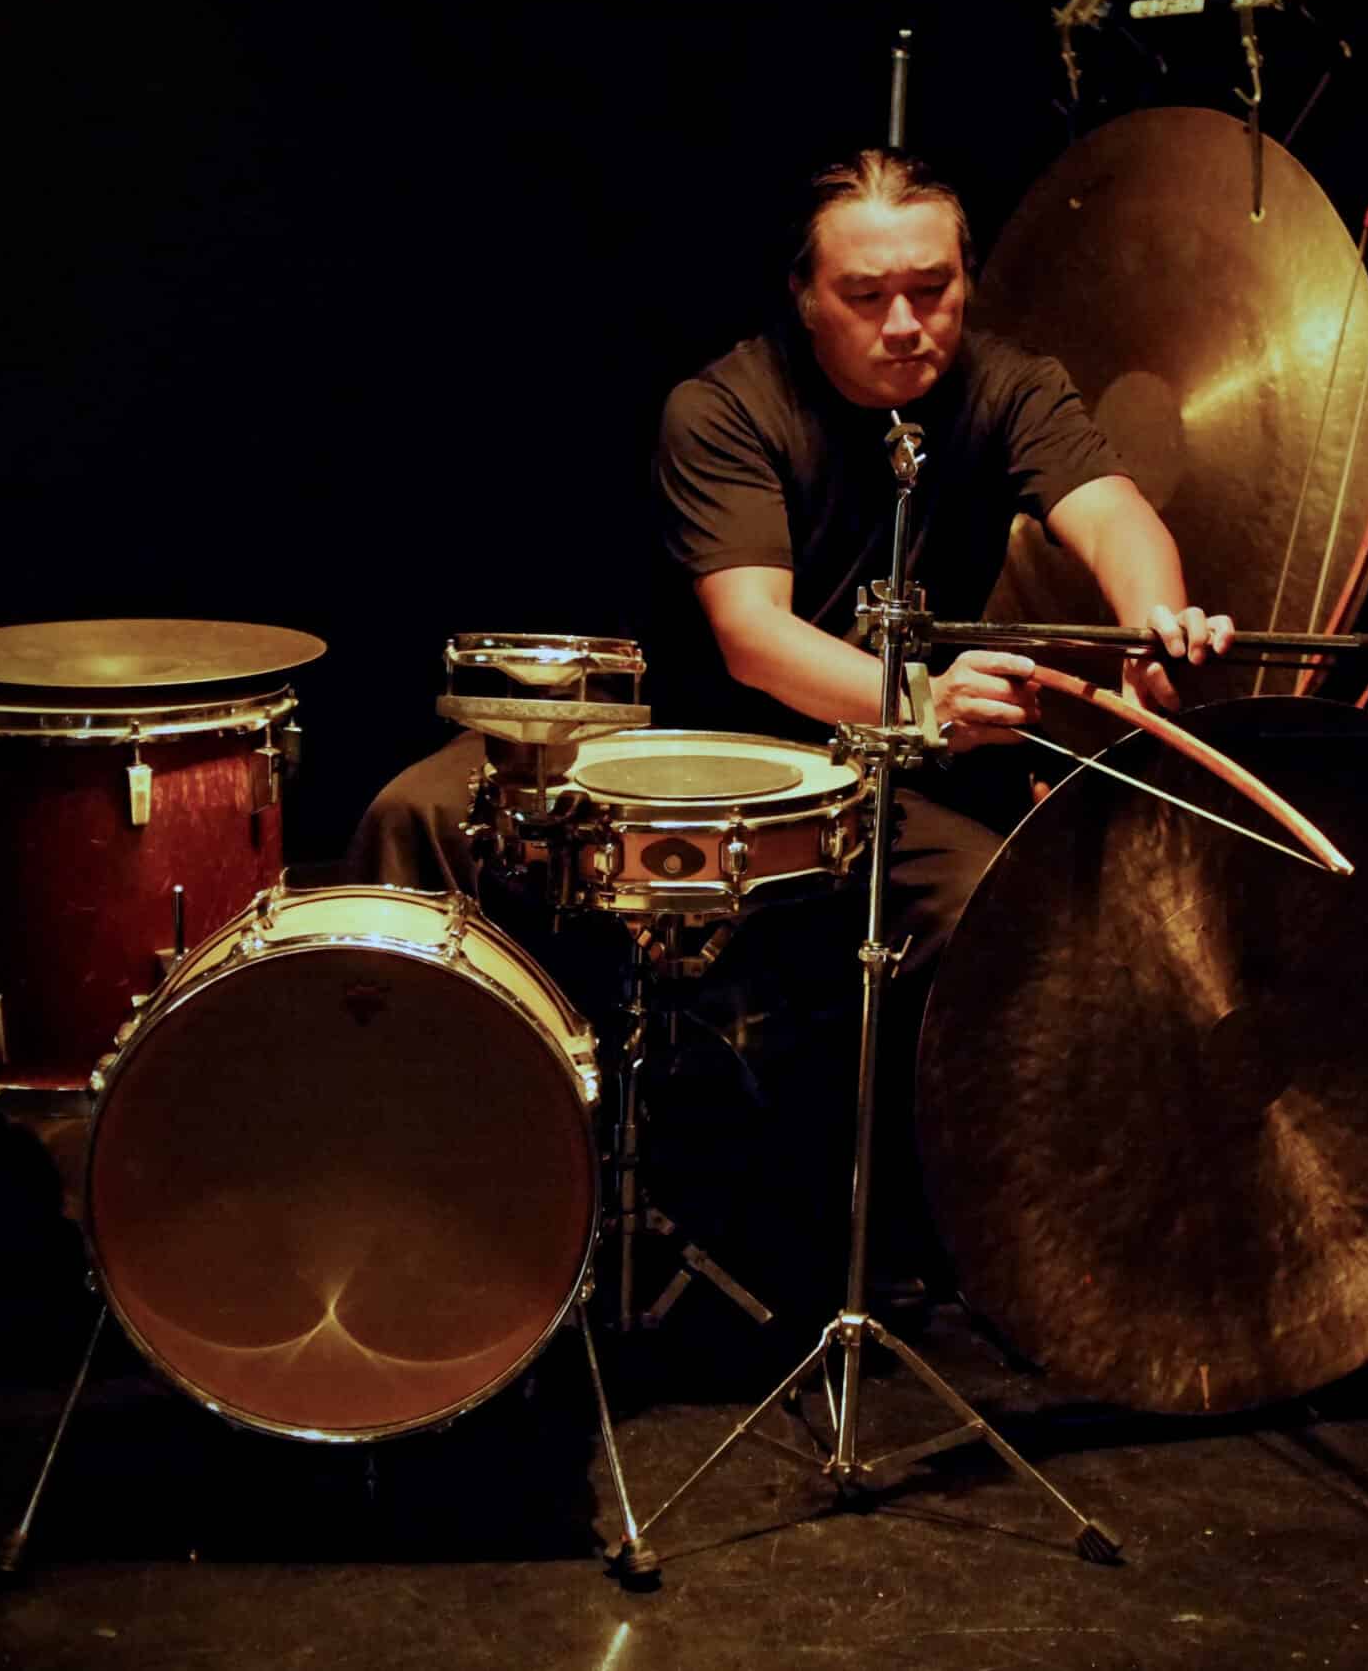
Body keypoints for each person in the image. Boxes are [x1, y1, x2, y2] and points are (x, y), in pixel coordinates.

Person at [346, 148, 1233, 1297]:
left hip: (864, 777)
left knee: (994, 907)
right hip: (681, 743)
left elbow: (1111, 514)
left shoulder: (1010, 386)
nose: (905, 323)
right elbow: (752, 637)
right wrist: (922, 703)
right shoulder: (724, 407)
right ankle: (402, 1181)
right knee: (414, 812)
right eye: (866, 295)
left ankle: (933, 1241)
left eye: (932, 288)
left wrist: (1153, 622)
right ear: (806, 298)